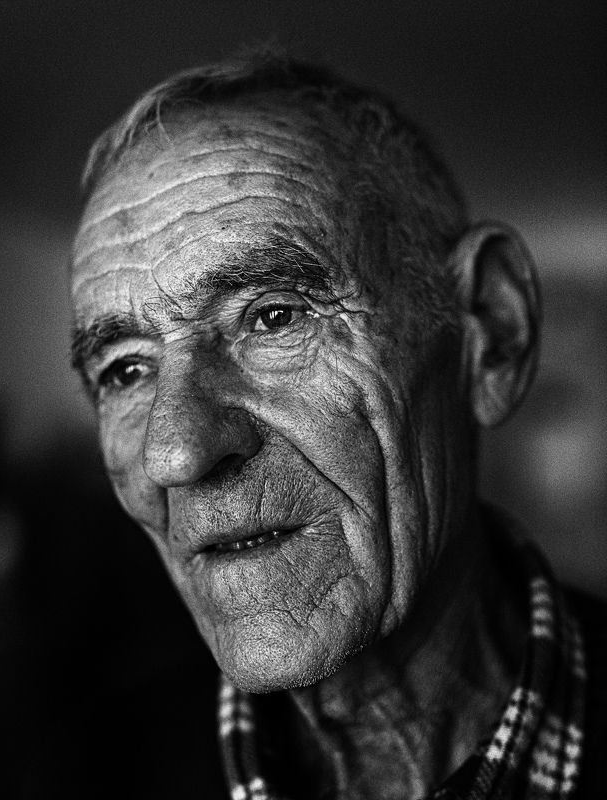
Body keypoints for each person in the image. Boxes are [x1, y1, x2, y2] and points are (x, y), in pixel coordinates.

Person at [69, 53, 605, 799]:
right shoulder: (82, 766)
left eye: (273, 316)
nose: (177, 452)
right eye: (126, 370)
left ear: (490, 332)